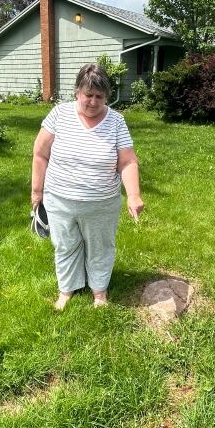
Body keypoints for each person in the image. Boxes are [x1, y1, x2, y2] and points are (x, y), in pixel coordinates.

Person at [31, 63, 144, 310]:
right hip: (59, 198)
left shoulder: (116, 121)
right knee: (65, 245)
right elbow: (40, 154)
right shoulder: (59, 114)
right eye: (88, 95)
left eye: (99, 97)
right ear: (77, 92)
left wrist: (134, 195)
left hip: (101, 203)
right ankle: (67, 289)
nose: (93, 102)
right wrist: (37, 191)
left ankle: (99, 291)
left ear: (107, 97)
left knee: (100, 247)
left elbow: (127, 161)